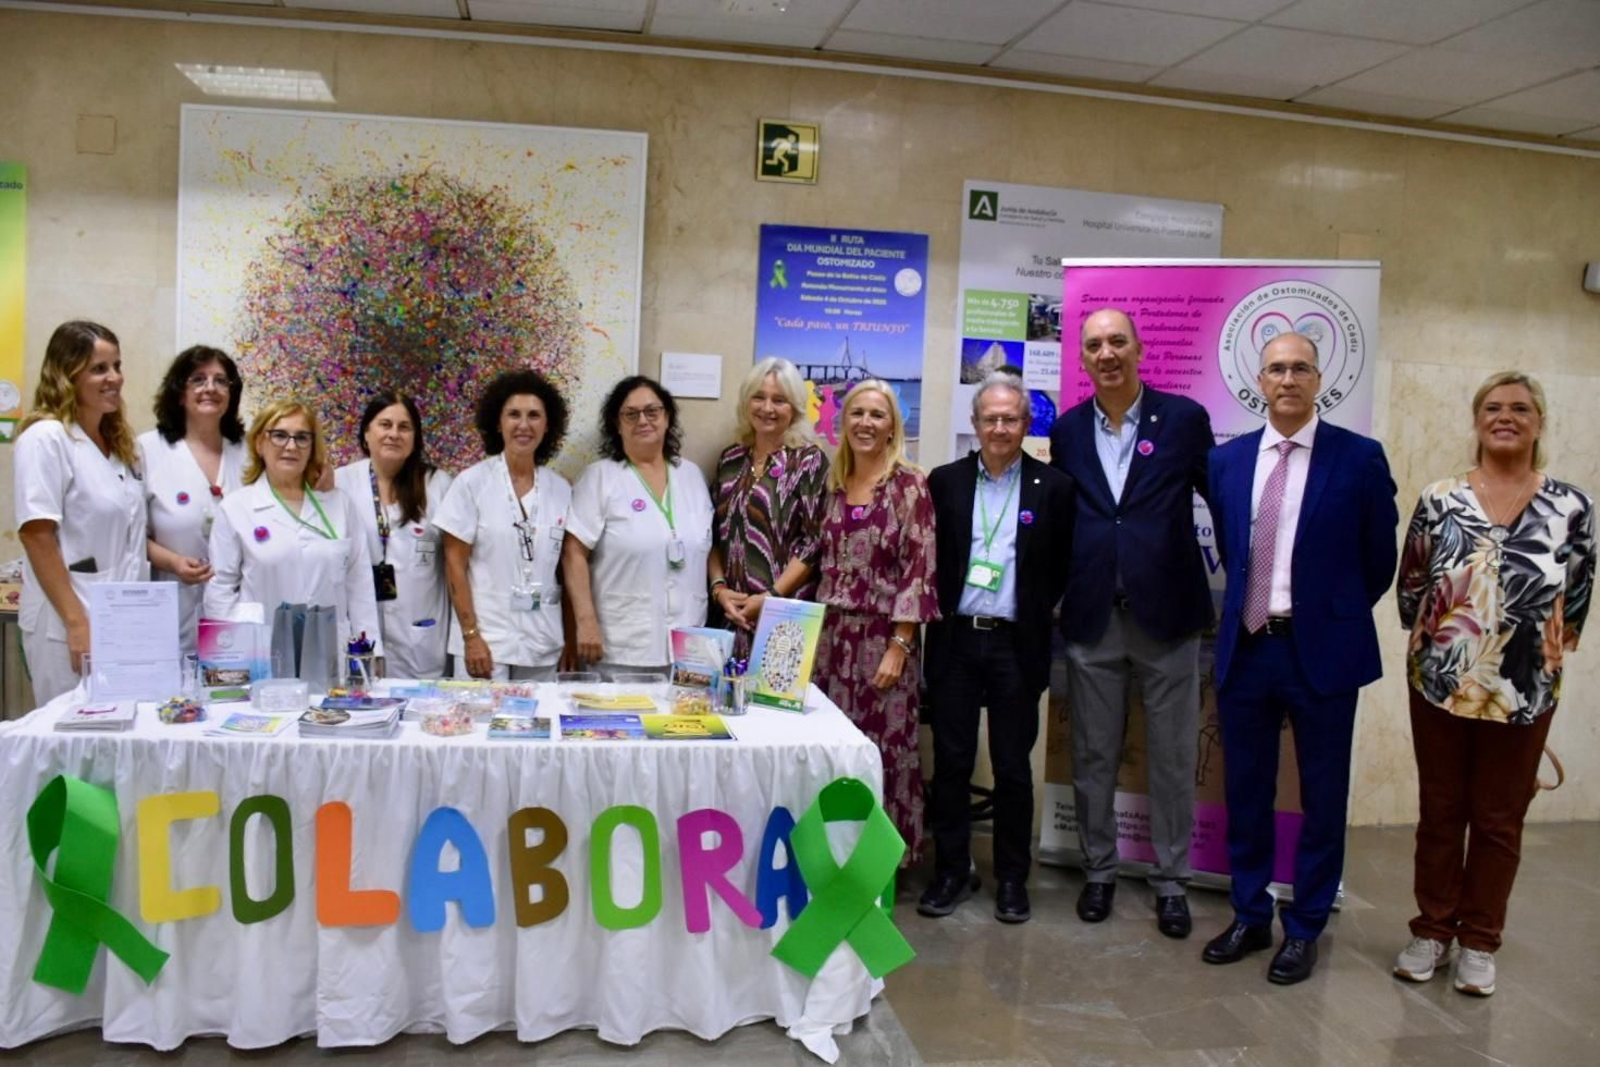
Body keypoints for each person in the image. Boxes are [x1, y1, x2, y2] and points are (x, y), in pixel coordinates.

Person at [1202, 332, 1398, 985]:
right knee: (1247, 791)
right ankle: (1251, 914)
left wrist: (1322, 612)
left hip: (1323, 653)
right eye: (1277, 368)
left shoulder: (1359, 459)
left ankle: (1306, 925)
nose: (1288, 378)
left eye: (1300, 368)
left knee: (1322, 795)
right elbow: (1234, 551)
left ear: (1320, 380)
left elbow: (1377, 563)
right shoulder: (1226, 463)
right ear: (1259, 380)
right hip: (1248, 647)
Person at [1393, 371, 1593, 997]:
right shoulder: (1440, 498)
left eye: (1520, 408)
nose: (1506, 416)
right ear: (1476, 419)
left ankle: (1480, 940)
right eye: (1493, 407)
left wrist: (1539, 655)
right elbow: (1411, 588)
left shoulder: (1572, 506)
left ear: (1540, 422)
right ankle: (1431, 930)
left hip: (1525, 690)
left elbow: (1578, 601)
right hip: (1439, 685)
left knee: (1500, 821)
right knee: (1441, 813)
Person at [1046, 308, 1215, 938]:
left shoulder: (1184, 420)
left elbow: (1218, 503)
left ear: (1139, 349)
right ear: (1083, 359)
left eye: (1118, 341)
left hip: (1167, 615)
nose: (1107, 353)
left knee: (1171, 758)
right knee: (1093, 755)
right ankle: (1099, 872)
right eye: (1095, 345)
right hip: (1092, 616)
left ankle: (1171, 882)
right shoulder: (1066, 432)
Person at [921, 371, 1075, 923]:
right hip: (957, 642)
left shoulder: (1054, 488)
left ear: (1026, 424)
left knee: (1012, 768)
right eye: (991, 418)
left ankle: (1011, 877)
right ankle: (951, 872)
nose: (1001, 427)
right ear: (975, 423)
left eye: (1011, 418)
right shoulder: (944, 482)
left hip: (1017, 645)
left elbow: (1060, 566)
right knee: (953, 763)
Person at [814, 379, 939, 863]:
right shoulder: (836, 483)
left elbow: (920, 569)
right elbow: (819, 556)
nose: (866, 423)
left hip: (883, 641)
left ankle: (883, 864)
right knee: (834, 753)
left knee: (883, 752)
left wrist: (900, 645)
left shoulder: (910, 485)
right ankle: (837, 858)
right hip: (830, 640)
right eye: (857, 413)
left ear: (892, 426)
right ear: (843, 423)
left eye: (877, 415)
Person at [14, 321, 149, 704]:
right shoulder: (46, 438)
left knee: (117, 739)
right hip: (68, 621)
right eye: (99, 369)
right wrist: (77, 624)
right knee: (71, 739)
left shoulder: (120, 446)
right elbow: (36, 535)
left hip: (120, 618)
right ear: (66, 374)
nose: (115, 378)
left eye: (117, 366)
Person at [205, 399, 382, 675]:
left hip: (330, 656)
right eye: (279, 435)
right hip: (262, 658)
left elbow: (359, 585)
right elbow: (220, 590)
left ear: (312, 448)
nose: (291, 446)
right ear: (259, 443)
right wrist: (228, 664)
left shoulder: (340, 505)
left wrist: (370, 654)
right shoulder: (236, 508)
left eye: (302, 437)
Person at [564, 376, 714, 676]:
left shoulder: (691, 476)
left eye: (652, 411)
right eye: (630, 414)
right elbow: (572, 553)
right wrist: (585, 621)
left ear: (667, 417)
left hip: (690, 645)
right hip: (622, 645)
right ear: (617, 424)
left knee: (679, 723)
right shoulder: (601, 477)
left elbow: (707, 547)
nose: (642, 420)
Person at [435, 372, 570, 680]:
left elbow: (564, 567)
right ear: (498, 423)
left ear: (548, 426)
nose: (524, 425)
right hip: (485, 643)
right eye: (514, 415)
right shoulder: (471, 484)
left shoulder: (561, 490)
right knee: (480, 726)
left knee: (538, 723)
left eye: (534, 415)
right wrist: (471, 636)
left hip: (542, 640)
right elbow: (455, 565)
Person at [707, 357, 828, 656]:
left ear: (796, 408)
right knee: (724, 701)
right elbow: (710, 534)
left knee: (771, 701)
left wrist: (770, 598)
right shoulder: (730, 460)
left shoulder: (808, 461)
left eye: (779, 400)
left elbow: (814, 544)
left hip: (782, 616)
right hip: (728, 615)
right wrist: (719, 589)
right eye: (758, 397)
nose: (767, 408)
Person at [335, 392, 455, 681]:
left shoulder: (438, 484)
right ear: (366, 433)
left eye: (404, 427)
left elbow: (456, 562)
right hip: (360, 626)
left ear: (415, 438)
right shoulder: (339, 483)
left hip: (421, 631)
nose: (393, 434)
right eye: (384, 424)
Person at [138, 346, 248, 656]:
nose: (210, 388)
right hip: (170, 609)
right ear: (179, 393)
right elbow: (129, 535)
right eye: (198, 379)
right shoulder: (147, 450)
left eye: (221, 381)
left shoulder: (250, 452)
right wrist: (172, 562)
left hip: (236, 612)